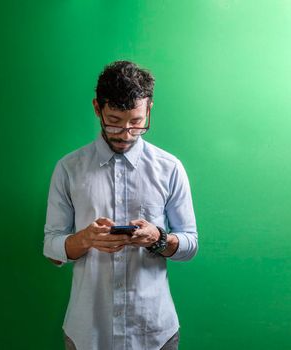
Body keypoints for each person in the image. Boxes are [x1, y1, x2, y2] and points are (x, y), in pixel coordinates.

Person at [43, 60, 198, 350]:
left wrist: (158, 238)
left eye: (137, 122)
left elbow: (190, 244)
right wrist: (83, 240)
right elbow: (51, 249)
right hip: (87, 331)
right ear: (97, 108)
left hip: (154, 332)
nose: (126, 133)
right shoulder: (68, 169)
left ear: (149, 108)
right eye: (114, 120)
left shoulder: (170, 168)